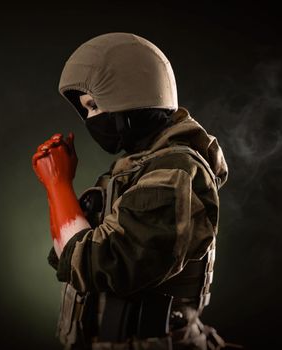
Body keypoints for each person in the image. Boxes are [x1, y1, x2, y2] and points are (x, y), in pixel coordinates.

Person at [32, 32, 232, 350]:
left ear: (129, 97)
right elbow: (66, 257)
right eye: (86, 109)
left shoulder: (174, 169)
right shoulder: (135, 168)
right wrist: (58, 189)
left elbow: (99, 264)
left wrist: (57, 185)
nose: (90, 119)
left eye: (95, 105)